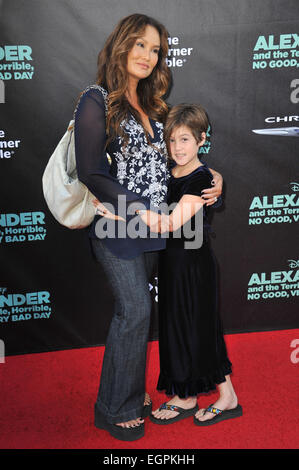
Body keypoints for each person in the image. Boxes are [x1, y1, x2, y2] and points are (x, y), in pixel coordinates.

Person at [74, 14, 223, 441]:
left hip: (157, 232)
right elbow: (92, 171)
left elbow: (181, 160)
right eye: (139, 44)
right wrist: (142, 209)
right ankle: (113, 407)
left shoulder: (157, 107)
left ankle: (130, 392)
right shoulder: (96, 100)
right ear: (121, 45)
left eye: (155, 49)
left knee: (138, 315)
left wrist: (215, 180)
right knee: (135, 310)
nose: (147, 55)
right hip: (118, 227)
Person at [150, 104, 242, 426]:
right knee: (177, 329)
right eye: (173, 140)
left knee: (201, 331)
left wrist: (120, 213)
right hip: (172, 265)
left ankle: (227, 395)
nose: (178, 148)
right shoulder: (169, 168)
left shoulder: (201, 179)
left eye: (186, 140)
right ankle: (186, 395)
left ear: (202, 139)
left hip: (194, 267)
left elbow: (171, 224)